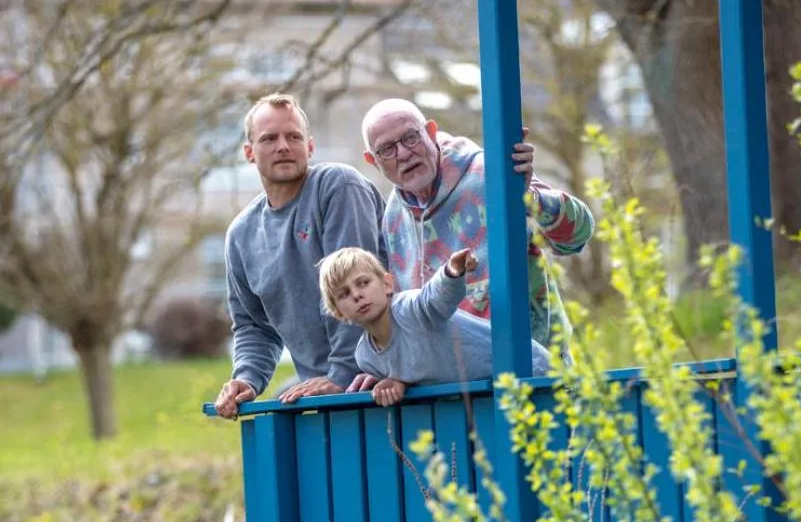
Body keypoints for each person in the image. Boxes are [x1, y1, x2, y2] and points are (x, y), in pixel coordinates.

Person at [353, 99, 594, 394]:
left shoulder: (489, 172)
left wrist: (531, 197)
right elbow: (415, 320)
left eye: (410, 137)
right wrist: (394, 371)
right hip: (451, 397)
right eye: (387, 149)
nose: (403, 153)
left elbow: (578, 237)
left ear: (430, 131)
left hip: (534, 379)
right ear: (372, 160)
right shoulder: (393, 217)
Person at [212, 93, 387, 420]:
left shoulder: (337, 187)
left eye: (293, 136)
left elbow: (356, 288)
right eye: (269, 138)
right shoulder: (241, 234)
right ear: (249, 153)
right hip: (322, 397)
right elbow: (253, 325)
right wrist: (247, 377)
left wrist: (342, 374)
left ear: (309, 146)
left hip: (382, 384)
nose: (283, 146)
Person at [317, 246, 551, 407]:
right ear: (339, 313)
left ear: (387, 283)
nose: (357, 295)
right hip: (489, 396)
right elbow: (418, 365)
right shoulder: (366, 357)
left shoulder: (410, 310)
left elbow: (434, 298)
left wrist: (451, 271)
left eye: (363, 283)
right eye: (344, 294)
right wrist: (400, 382)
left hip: (532, 371)